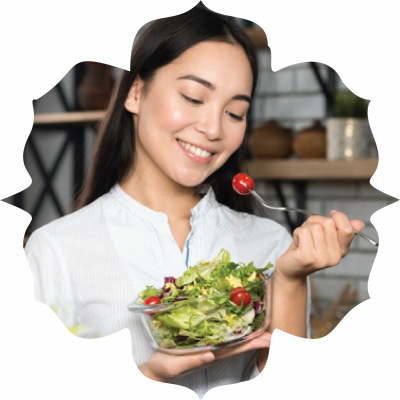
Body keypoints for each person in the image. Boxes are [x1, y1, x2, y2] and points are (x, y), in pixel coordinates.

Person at [24, 6, 365, 398]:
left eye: (235, 112)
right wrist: (150, 374)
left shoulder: (270, 241)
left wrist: (290, 279)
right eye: (192, 97)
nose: (213, 129)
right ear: (135, 92)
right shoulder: (55, 252)